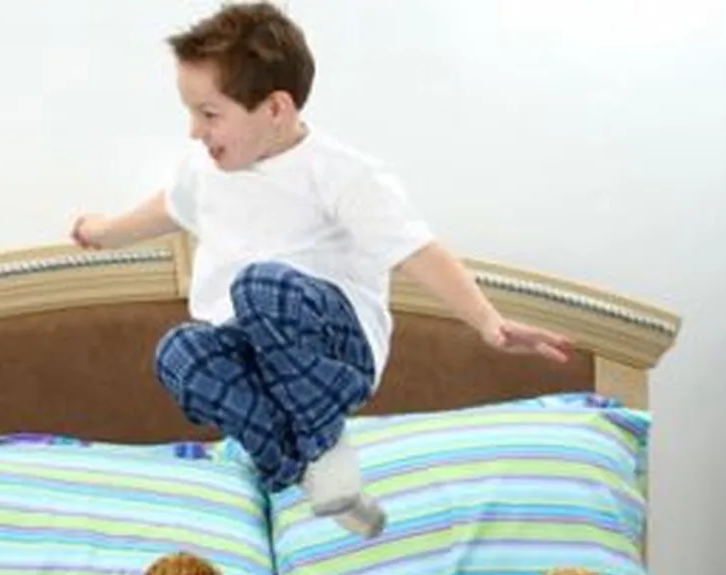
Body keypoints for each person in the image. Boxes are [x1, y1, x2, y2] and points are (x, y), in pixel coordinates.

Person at [70, 1, 572, 537]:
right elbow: (169, 207)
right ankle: (308, 473)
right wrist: (104, 232)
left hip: (334, 348)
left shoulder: (342, 175)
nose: (195, 131)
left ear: (275, 108)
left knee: (259, 285)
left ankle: (325, 442)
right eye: (191, 113)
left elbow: (416, 250)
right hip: (255, 353)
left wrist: (488, 321)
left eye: (210, 115)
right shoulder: (204, 171)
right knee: (180, 352)